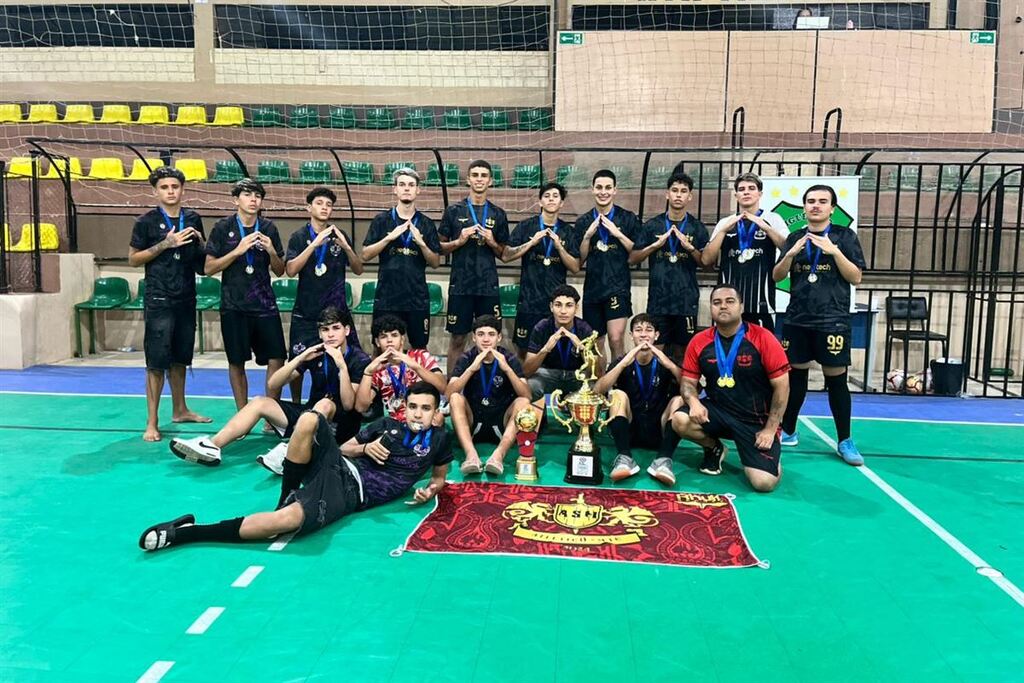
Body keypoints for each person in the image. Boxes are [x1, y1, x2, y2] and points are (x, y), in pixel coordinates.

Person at [139, 381, 451, 552]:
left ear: (437, 411)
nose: (418, 413)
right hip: (339, 463)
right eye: (413, 406)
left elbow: (439, 478)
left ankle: (186, 532)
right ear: (404, 407)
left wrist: (429, 491)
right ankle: (286, 493)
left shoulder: (439, 440)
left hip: (349, 496)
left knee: (284, 523)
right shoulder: (385, 425)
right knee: (311, 418)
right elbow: (344, 448)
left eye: (425, 408)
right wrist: (365, 448)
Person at [167, 306, 370, 470]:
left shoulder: (358, 359)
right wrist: (299, 358)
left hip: (340, 427)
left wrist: (341, 366)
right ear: (319, 333)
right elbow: (274, 383)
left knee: (325, 403)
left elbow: (348, 404)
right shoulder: (316, 353)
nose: (330, 334)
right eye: (325, 330)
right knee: (259, 402)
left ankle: (289, 454)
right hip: (309, 416)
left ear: (347, 330)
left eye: (335, 328)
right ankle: (212, 446)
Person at [772, 184, 866, 465]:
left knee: (836, 380)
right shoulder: (795, 237)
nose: (816, 205)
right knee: (795, 378)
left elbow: (856, 277)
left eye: (822, 201)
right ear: (804, 207)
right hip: (797, 319)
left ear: (832, 208)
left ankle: (845, 440)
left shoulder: (845, 236)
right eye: (811, 201)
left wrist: (835, 252)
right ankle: (789, 430)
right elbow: (777, 276)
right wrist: (790, 254)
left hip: (832, 320)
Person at [666, 285, 790, 492]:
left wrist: (770, 429)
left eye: (729, 301)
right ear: (711, 308)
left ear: (741, 306)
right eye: (717, 302)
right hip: (718, 411)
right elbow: (687, 383)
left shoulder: (763, 338)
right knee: (679, 420)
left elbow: (782, 387)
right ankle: (714, 447)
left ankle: (767, 458)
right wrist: (694, 402)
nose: (723, 306)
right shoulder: (699, 341)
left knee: (763, 483)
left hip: (755, 421)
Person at [127, 166, 211, 442]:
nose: (171, 191)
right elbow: (133, 259)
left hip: (186, 296)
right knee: (156, 361)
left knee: (180, 357)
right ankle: (152, 422)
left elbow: (200, 263)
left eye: (175, 186)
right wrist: (166, 244)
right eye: (164, 187)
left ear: (182, 189)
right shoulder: (146, 222)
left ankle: (180, 409)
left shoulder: (193, 218)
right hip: (159, 298)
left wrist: (203, 245)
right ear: (155, 192)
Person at [204, 178, 287, 416]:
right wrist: (237, 251)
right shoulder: (223, 227)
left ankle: (271, 414)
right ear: (236, 200)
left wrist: (272, 251)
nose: (253, 200)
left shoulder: (268, 228)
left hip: (264, 305)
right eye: (248, 195)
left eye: (257, 196)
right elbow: (209, 268)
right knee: (237, 361)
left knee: (277, 358)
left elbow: (280, 270)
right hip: (234, 305)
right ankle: (243, 415)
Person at [284, 186, 364, 400]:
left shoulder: (339, 234)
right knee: (298, 362)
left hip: (337, 313)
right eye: (319, 203)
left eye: (329, 205)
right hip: (306, 313)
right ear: (309, 207)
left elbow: (358, 269)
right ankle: (296, 404)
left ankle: (345, 402)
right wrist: (314, 245)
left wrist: (347, 247)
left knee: (348, 357)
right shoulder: (299, 236)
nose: (324, 208)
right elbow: (290, 270)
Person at [438, 160, 510, 375]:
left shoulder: (498, 214)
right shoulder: (453, 211)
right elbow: (439, 248)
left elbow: (504, 254)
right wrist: (458, 241)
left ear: (491, 181)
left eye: (484, 175)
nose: (479, 179)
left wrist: (492, 242)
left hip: (488, 287)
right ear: (468, 179)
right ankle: (452, 386)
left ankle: (490, 384)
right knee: (458, 339)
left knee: (490, 340)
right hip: (461, 286)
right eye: (475, 175)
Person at [631, 171, 710, 363]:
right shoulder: (652, 225)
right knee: (654, 352)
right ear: (667, 194)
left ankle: (679, 384)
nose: (678, 195)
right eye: (674, 190)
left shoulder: (697, 227)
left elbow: (707, 264)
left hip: (686, 302)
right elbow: (632, 258)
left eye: (683, 191)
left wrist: (690, 248)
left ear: (690, 196)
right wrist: (654, 246)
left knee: (684, 355)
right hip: (658, 301)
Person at [593, 314, 683, 483]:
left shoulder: (666, 362)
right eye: (638, 330)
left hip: (659, 430)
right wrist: (622, 365)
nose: (643, 334)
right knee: (617, 395)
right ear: (631, 335)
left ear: (656, 335)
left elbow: (692, 389)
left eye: (649, 330)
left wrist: (670, 365)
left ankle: (663, 460)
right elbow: (598, 391)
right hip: (629, 430)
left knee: (678, 400)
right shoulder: (622, 361)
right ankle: (624, 458)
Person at [361, 168, 441, 350]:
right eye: (402, 184)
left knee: (420, 348)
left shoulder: (427, 223)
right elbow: (365, 254)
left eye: (411, 185)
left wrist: (421, 243)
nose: (406, 188)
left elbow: (435, 262)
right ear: (395, 189)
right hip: (387, 297)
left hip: (416, 298)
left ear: (418, 190)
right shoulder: (381, 220)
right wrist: (389, 238)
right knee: (381, 348)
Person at [702, 173, 789, 331]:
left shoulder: (773, 218)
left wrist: (766, 228)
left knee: (760, 345)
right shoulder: (725, 222)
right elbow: (707, 259)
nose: (746, 192)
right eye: (741, 189)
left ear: (760, 194)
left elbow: (788, 249)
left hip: (761, 302)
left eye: (751, 188)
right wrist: (723, 231)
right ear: (736, 195)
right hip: (728, 303)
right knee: (727, 344)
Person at [447, 315, 532, 476]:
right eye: (481, 334)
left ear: (499, 337)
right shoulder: (466, 358)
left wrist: (507, 369)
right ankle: (471, 456)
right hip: (473, 420)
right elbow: (449, 393)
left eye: (491, 334)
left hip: (501, 420)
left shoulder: (509, 358)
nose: (486, 339)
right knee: (455, 398)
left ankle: (498, 456)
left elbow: (527, 395)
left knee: (523, 402)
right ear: (474, 337)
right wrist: (471, 369)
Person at [504, 182, 580, 357]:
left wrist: (560, 247)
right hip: (529, 300)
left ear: (561, 203)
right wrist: (531, 243)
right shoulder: (526, 226)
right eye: (547, 196)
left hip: (556, 304)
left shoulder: (568, 231)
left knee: (554, 350)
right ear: (540, 201)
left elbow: (575, 267)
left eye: (555, 196)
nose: (551, 199)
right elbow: (506, 255)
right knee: (523, 350)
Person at [575, 169, 640, 366]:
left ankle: (620, 381)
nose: (603, 192)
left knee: (616, 338)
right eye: (599, 187)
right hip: (593, 289)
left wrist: (617, 233)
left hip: (617, 288)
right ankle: (601, 383)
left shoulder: (627, 218)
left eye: (608, 188)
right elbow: (579, 261)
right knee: (596, 343)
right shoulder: (583, 221)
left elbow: (637, 255)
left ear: (615, 190)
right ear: (592, 190)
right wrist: (587, 236)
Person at [355, 314, 446, 423]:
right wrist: (368, 372)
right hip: (396, 423)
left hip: (424, 417)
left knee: (438, 418)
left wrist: (416, 366)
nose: (389, 340)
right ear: (377, 342)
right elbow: (360, 407)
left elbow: (442, 387)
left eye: (394, 335)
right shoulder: (377, 368)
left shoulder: (420, 356)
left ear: (402, 339)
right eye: (383, 337)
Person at [522, 285, 594, 405]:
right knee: (529, 386)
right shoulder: (542, 327)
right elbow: (526, 371)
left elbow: (596, 372)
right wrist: (545, 349)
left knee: (595, 387)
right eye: (558, 305)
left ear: (576, 308)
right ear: (551, 307)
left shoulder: (584, 329)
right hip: (548, 374)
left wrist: (582, 349)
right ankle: (533, 416)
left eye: (569, 305)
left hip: (576, 375)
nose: (563, 311)